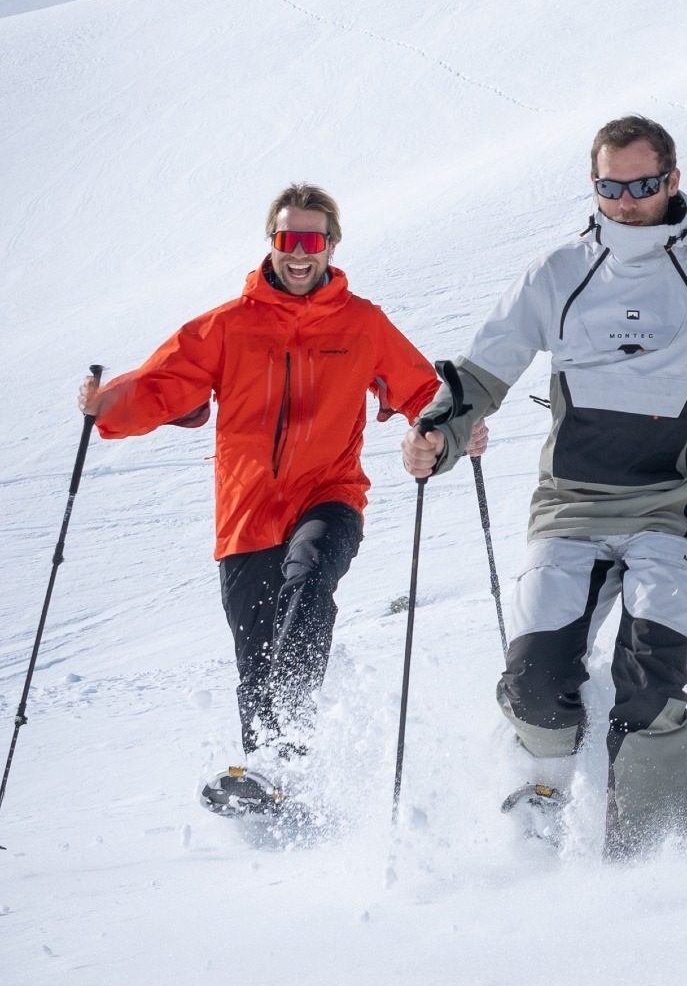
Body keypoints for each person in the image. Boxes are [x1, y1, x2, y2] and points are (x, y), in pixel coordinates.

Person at [402, 115, 687, 857]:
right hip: (572, 505)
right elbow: (477, 377)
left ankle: (645, 865)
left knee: (652, 687)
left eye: (641, 185)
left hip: (677, 507)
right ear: (593, 186)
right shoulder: (559, 274)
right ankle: (540, 782)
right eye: (611, 187)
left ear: (672, 179)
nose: (627, 201)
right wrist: (435, 439)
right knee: (536, 680)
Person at [80, 184, 447, 766]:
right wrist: (107, 405)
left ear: (331, 245)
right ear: (271, 243)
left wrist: (446, 429)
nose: (299, 253)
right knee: (254, 658)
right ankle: (271, 779)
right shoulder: (229, 325)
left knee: (308, 582)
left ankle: (291, 724)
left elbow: (424, 390)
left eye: (312, 240)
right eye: (287, 239)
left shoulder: (362, 323)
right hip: (246, 515)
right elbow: (161, 384)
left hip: (330, 496)